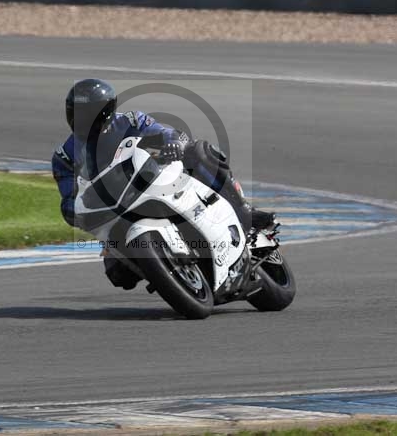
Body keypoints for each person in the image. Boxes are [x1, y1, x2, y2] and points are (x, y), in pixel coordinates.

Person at [51, 78, 275, 289]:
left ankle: (244, 210)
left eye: (90, 115)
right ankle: (168, 270)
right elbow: (70, 198)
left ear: (106, 112)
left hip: (154, 179)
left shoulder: (130, 121)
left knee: (200, 151)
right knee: (119, 275)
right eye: (77, 114)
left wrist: (174, 143)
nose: (83, 121)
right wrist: (74, 212)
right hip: (116, 211)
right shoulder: (65, 157)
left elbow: (166, 133)